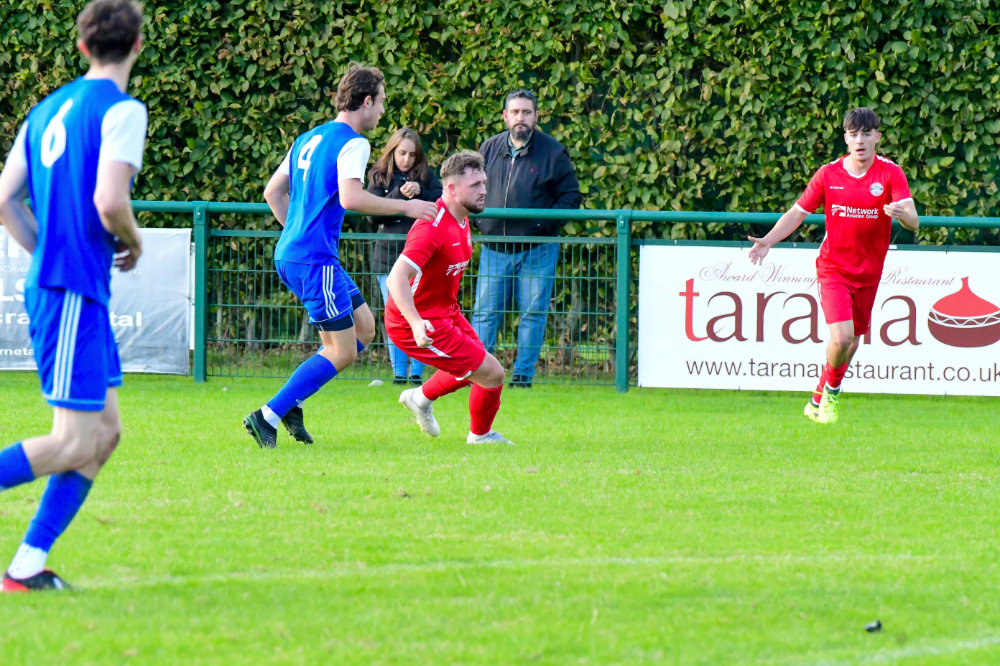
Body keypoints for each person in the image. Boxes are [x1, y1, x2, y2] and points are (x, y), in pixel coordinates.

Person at [0, 0, 147, 592]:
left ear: (83, 47)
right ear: (137, 46)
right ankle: (24, 569)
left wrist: (51, 252)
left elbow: (5, 199)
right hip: (69, 293)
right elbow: (110, 201)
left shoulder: (44, 110)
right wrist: (132, 241)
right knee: (71, 442)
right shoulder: (122, 109)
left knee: (103, 435)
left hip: (72, 289)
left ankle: (25, 569)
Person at [243, 65, 437, 449]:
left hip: (299, 255)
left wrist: (296, 233)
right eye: (381, 102)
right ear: (366, 102)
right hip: (314, 260)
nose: (382, 110)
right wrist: (406, 207)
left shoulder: (307, 138)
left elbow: (272, 192)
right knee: (343, 351)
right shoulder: (354, 143)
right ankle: (268, 415)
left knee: (365, 328)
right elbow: (351, 198)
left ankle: (292, 403)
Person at [748, 107, 919, 424]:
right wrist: (768, 240)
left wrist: (902, 214)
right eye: (854, 134)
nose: (860, 141)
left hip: (869, 273)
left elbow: (914, 220)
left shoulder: (891, 173)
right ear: (846, 139)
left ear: (878, 137)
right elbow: (797, 213)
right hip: (833, 269)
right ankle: (832, 395)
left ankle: (817, 398)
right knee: (841, 338)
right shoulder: (828, 174)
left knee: (852, 342)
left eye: (866, 134)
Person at [385, 150, 514, 446]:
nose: (484, 190)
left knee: (481, 366)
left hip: (445, 313)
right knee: (491, 373)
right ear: (452, 189)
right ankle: (480, 437)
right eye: (475, 185)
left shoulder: (462, 218)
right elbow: (396, 278)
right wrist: (416, 323)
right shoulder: (431, 227)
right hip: (415, 323)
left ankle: (420, 398)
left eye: (484, 183)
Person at [471, 89, 581, 388]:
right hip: (494, 248)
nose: (521, 117)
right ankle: (479, 374)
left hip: (537, 249)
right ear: (505, 116)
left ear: (536, 116)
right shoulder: (489, 148)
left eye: (527, 112)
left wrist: (542, 225)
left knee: (533, 314)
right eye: (515, 112)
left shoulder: (553, 152)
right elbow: (473, 187)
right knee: (484, 314)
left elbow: (571, 196)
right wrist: (481, 221)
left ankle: (523, 376)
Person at [365, 127, 442, 386]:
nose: (406, 159)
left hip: (421, 257)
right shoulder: (378, 176)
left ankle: (416, 373)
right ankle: (399, 372)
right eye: (402, 153)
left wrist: (421, 192)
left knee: (419, 313)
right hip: (387, 258)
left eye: (412, 154)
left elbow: (442, 202)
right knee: (396, 315)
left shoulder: (427, 176)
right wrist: (400, 196)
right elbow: (371, 215)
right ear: (392, 151)